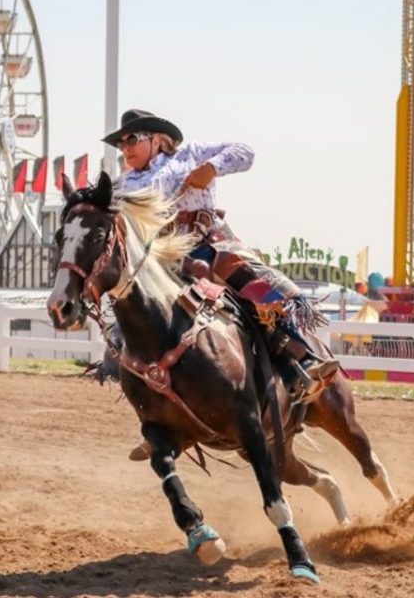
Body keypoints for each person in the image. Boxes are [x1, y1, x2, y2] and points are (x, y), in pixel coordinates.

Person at [102, 109, 338, 459]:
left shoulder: (192, 153)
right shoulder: (124, 185)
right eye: (121, 143)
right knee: (131, 317)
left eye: (132, 139)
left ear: (157, 139)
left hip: (208, 243)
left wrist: (211, 168)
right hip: (162, 257)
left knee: (259, 290)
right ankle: (154, 418)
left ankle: (300, 363)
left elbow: (244, 152)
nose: (126, 148)